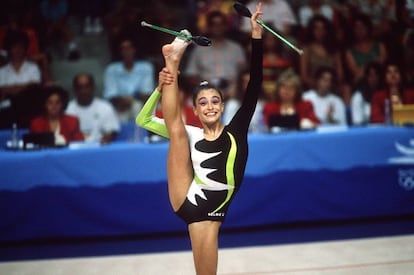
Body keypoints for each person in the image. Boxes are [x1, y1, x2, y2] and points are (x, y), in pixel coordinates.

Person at [136, 3, 263, 274]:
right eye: (203, 103)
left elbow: (254, 86)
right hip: (189, 198)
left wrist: (256, 37)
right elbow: (143, 121)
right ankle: (172, 60)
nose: (210, 106)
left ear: (223, 104)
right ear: (196, 109)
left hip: (206, 210)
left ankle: (172, 60)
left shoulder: (236, 130)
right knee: (178, 131)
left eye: (215, 101)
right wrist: (159, 90)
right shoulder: (192, 132)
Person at [184, 10, 247, 124]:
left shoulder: (236, 49)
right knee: (190, 104)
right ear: (209, 27)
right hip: (205, 91)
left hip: (232, 91)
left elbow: (244, 74)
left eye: (220, 24)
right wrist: (206, 89)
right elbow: (190, 75)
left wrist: (235, 89)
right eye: (214, 24)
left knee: (234, 106)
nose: (217, 27)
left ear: (225, 26)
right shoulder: (199, 50)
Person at [103, 36, 155, 122]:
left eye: (129, 48)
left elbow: (147, 93)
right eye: (123, 49)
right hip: (118, 106)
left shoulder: (146, 67)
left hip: (141, 105)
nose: (126, 52)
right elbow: (111, 95)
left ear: (134, 50)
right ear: (120, 52)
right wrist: (124, 101)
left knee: (137, 106)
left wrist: (131, 100)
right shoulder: (112, 69)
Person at [0, 30, 42, 129]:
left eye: (21, 47)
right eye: (14, 47)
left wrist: (11, 89)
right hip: (6, 110)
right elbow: (1, 91)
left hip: (28, 109)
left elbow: (34, 88)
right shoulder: (2, 71)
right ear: (9, 49)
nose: (18, 50)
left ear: (25, 48)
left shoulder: (33, 68)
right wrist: (25, 87)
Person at [66, 73, 120, 143]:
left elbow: (111, 131)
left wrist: (101, 143)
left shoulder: (105, 107)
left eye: (87, 86)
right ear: (74, 90)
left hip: (99, 149)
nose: (84, 90)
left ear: (93, 88)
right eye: (80, 87)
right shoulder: (67, 109)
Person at [299, 15, 343, 89]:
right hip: (313, 87)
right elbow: (304, 76)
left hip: (332, 86)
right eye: (317, 28)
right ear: (312, 30)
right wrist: (319, 86)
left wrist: (329, 85)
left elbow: (340, 74)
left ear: (327, 31)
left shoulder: (334, 49)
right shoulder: (306, 49)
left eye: (323, 28)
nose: (320, 31)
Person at [344, 13, 387, 84]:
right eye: (357, 27)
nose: (360, 30)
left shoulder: (380, 46)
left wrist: (363, 67)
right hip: (362, 83)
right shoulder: (350, 52)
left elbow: (383, 66)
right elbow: (357, 74)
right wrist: (374, 62)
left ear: (368, 28)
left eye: (363, 27)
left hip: (381, 81)